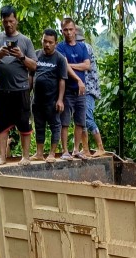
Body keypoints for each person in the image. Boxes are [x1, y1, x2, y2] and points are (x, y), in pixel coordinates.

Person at [0, 6, 37, 165]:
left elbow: (34, 66)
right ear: (1, 21)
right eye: (5, 21)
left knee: (24, 124)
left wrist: (21, 56)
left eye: (11, 21)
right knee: (1, 124)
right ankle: (2, 157)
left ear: (16, 21)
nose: (8, 24)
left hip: (21, 90)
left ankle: (26, 157)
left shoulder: (25, 41)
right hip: (1, 90)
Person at [30, 28, 67, 162]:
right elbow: (31, 76)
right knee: (39, 126)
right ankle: (39, 153)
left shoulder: (60, 59)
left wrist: (60, 100)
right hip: (37, 100)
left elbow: (62, 80)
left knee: (55, 126)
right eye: (45, 41)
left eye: (50, 42)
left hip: (52, 101)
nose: (47, 45)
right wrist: (27, 94)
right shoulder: (36, 55)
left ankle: (52, 153)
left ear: (56, 43)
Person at [57, 18, 90, 159]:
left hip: (80, 91)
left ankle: (76, 150)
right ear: (62, 31)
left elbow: (87, 65)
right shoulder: (60, 47)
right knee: (65, 122)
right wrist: (76, 73)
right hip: (67, 89)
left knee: (80, 122)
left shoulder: (82, 47)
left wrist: (69, 64)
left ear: (75, 30)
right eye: (66, 30)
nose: (69, 32)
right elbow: (64, 67)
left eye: (71, 29)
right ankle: (65, 150)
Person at [77, 28, 105, 156]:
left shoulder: (85, 47)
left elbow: (85, 66)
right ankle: (86, 149)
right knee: (80, 119)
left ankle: (100, 147)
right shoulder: (79, 47)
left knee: (87, 118)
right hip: (80, 89)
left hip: (88, 89)